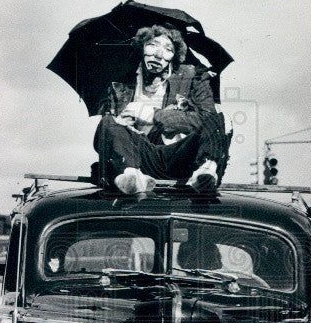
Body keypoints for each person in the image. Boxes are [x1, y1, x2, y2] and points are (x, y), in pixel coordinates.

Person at [93, 25, 231, 195]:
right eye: (152, 45)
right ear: (142, 47)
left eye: (168, 49)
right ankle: (131, 177)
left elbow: (206, 118)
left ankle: (205, 173)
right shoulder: (120, 84)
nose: (159, 54)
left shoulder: (194, 77)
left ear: (174, 56)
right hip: (141, 158)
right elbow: (103, 136)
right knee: (108, 122)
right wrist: (122, 125)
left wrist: (153, 115)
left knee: (220, 120)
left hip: (181, 157)